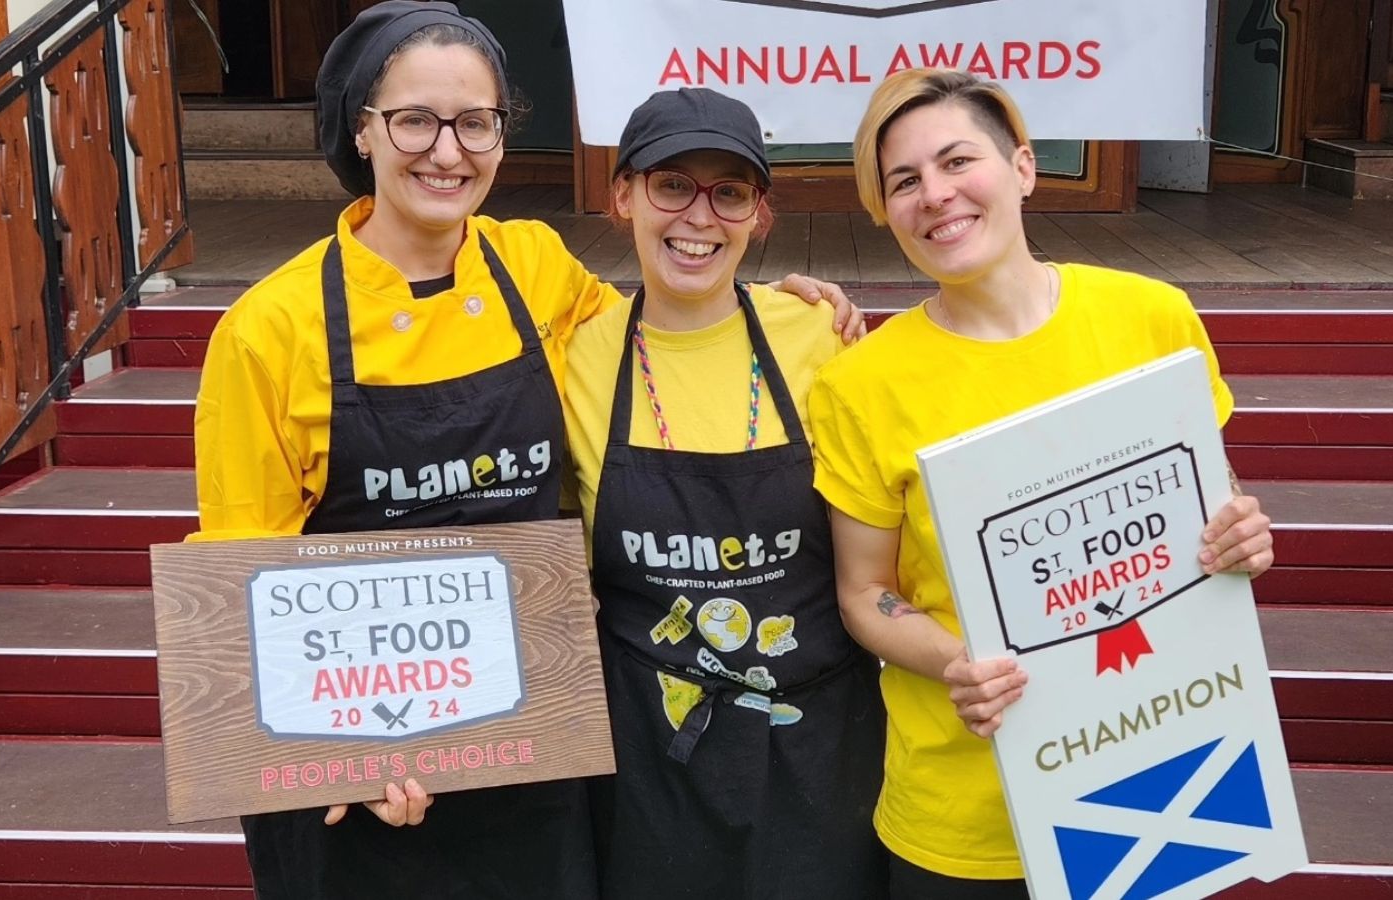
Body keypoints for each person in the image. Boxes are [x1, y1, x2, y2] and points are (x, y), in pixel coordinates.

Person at [189, 3, 859, 897]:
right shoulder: (268, 330)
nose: (448, 150)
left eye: (476, 122)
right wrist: (342, 755)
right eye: (415, 119)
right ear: (363, 129)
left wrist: (776, 301)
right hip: (357, 766)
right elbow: (242, 580)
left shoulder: (535, 268)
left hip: (524, 738)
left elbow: (673, 310)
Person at [807, 69, 1275, 900]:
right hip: (965, 812)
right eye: (904, 181)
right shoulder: (860, 385)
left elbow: (1212, 492)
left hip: (1165, 777)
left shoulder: (1151, 318)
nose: (936, 195)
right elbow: (863, 592)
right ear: (885, 212)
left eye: (958, 161)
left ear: (1022, 166)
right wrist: (958, 663)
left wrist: (1238, 533)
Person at [561, 88, 888, 900]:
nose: (698, 217)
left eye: (729, 193)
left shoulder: (817, 333)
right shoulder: (572, 352)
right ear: (623, 195)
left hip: (818, 749)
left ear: (759, 216)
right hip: (649, 756)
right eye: (672, 184)